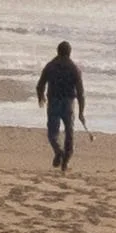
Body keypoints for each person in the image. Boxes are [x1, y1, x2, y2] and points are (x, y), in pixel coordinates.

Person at [36, 41, 85, 172]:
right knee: (69, 132)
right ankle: (65, 162)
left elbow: (40, 84)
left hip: (54, 102)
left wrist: (41, 97)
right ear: (69, 53)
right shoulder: (74, 68)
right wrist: (81, 112)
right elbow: (80, 93)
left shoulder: (50, 66)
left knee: (53, 132)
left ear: (57, 51)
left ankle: (58, 151)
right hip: (68, 103)